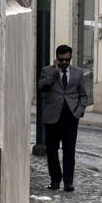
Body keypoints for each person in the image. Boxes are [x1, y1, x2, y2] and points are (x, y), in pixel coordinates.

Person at [38, 45, 90, 191]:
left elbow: (84, 95)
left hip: (70, 117)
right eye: (61, 60)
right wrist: (55, 71)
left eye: (67, 60)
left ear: (70, 58)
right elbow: (42, 87)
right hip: (53, 118)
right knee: (51, 150)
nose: (64, 63)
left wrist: (79, 110)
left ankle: (68, 182)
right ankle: (55, 179)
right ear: (57, 58)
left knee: (69, 150)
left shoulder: (78, 73)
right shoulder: (47, 71)